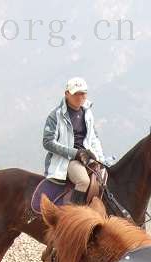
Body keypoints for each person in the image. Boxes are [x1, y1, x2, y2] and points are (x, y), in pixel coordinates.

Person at [43, 76, 106, 205]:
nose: (80, 97)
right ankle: (73, 215)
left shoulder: (87, 113)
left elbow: (94, 138)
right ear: (67, 94)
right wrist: (75, 153)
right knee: (83, 181)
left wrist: (100, 159)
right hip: (67, 160)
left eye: (83, 93)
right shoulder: (56, 115)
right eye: (76, 93)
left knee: (105, 178)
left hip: (87, 156)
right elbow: (48, 142)